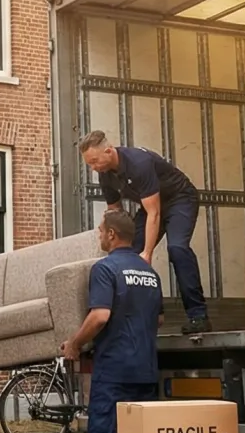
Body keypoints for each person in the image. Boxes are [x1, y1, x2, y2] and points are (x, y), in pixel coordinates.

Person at [59, 208, 162, 433]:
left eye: (101, 231)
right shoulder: (149, 272)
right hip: (145, 369)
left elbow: (100, 315)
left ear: (113, 236)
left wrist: (74, 343)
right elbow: (156, 321)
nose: (99, 236)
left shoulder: (104, 269)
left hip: (114, 371)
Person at [78, 130, 210, 334]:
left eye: (95, 161)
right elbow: (116, 214)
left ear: (109, 150)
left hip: (179, 200)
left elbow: (154, 212)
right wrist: (112, 244)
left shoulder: (138, 163)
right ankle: (152, 314)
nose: (93, 168)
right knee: (127, 253)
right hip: (151, 207)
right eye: (90, 164)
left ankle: (198, 315)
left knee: (177, 248)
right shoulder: (105, 176)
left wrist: (147, 253)